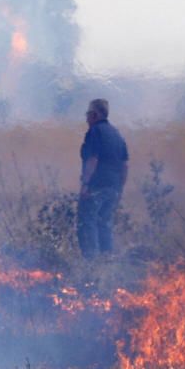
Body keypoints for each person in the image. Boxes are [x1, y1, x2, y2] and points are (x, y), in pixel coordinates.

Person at [77, 99, 128, 258]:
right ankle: (107, 260)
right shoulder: (117, 134)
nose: (86, 119)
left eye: (88, 114)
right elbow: (125, 165)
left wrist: (85, 184)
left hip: (96, 186)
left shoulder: (95, 132)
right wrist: (119, 189)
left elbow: (93, 159)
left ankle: (91, 264)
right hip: (113, 187)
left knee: (87, 222)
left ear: (94, 114)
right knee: (104, 223)